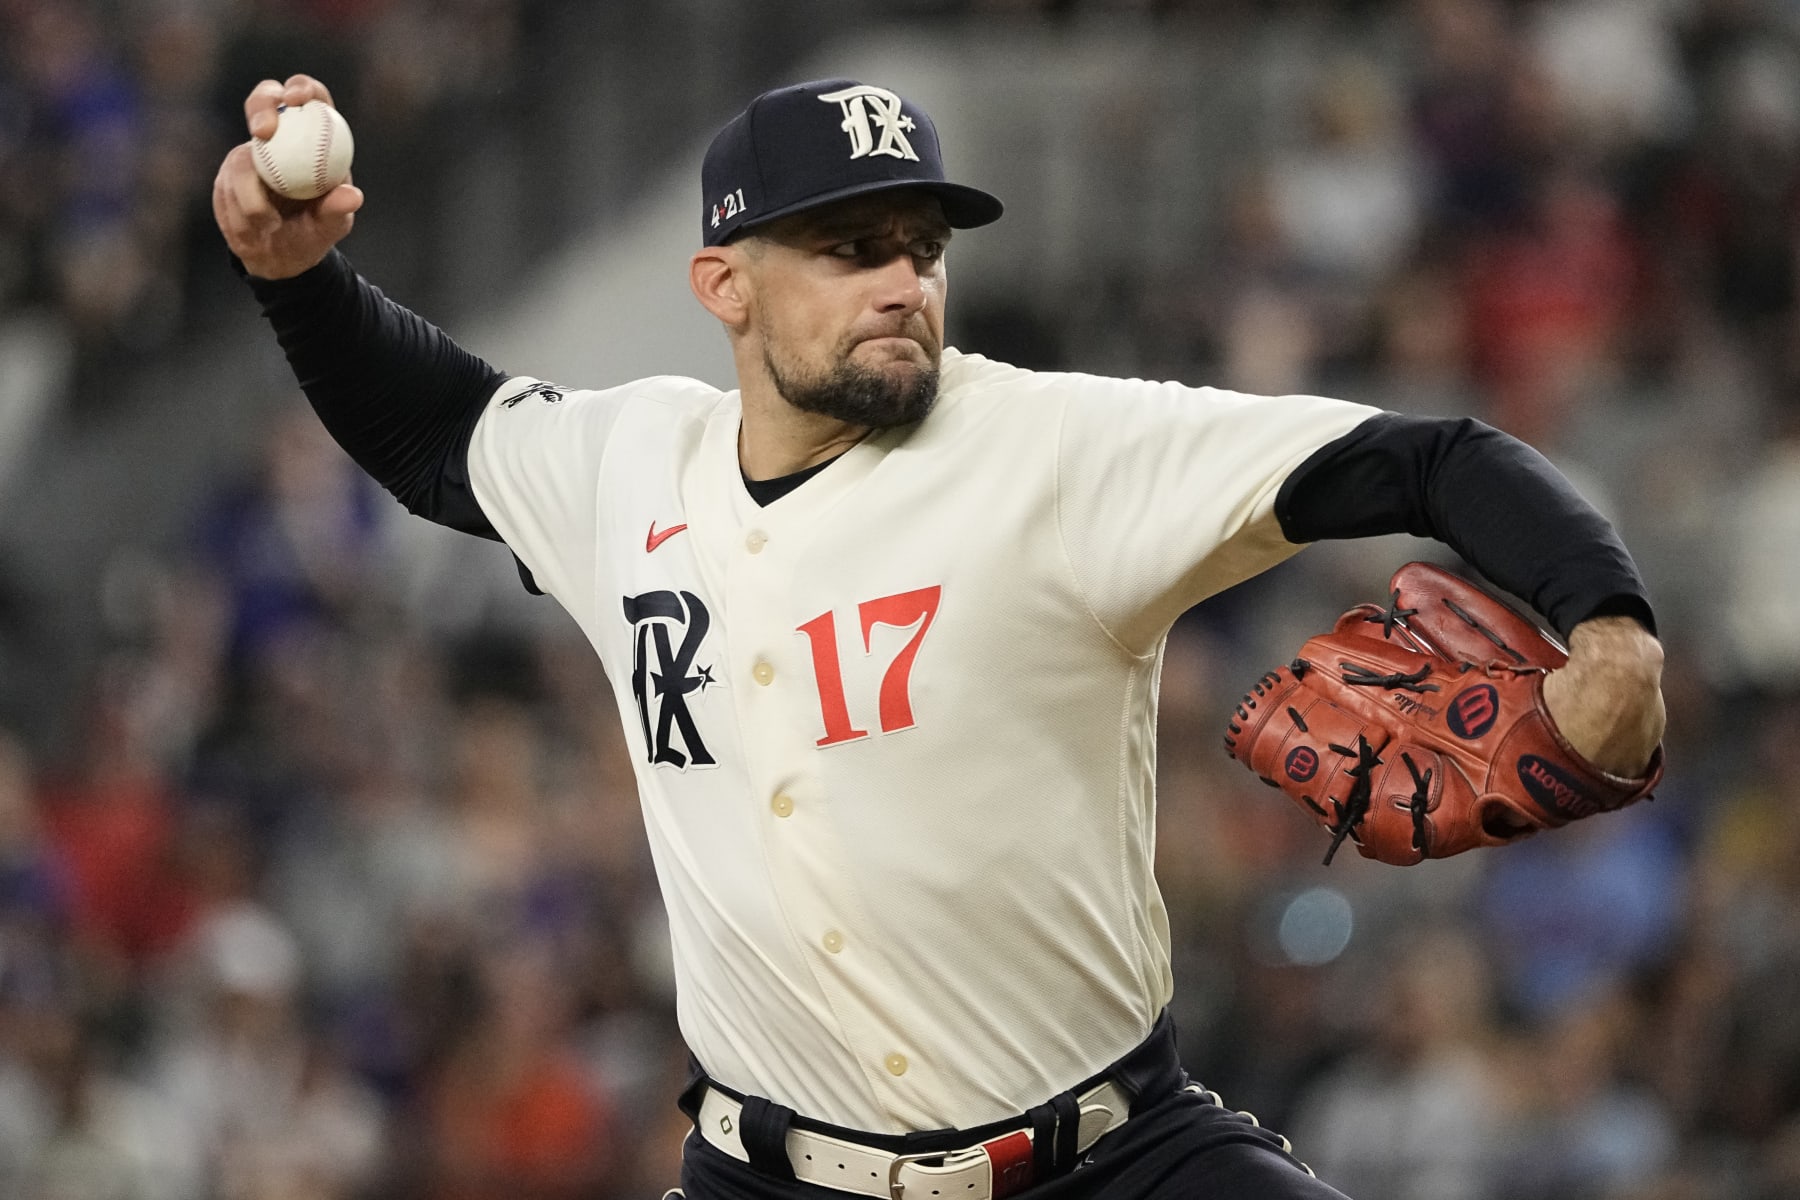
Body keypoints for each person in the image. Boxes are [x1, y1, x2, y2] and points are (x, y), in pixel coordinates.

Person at [211, 73, 1666, 1200]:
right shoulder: (627, 468)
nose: (904, 280)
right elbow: (439, 429)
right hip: (769, 1172)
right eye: (849, 249)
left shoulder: (1053, 448)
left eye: (919, 245)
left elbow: (1427, 454)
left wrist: (1606, 624)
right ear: (725, 285)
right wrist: (294, 279)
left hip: (1108, 1158)